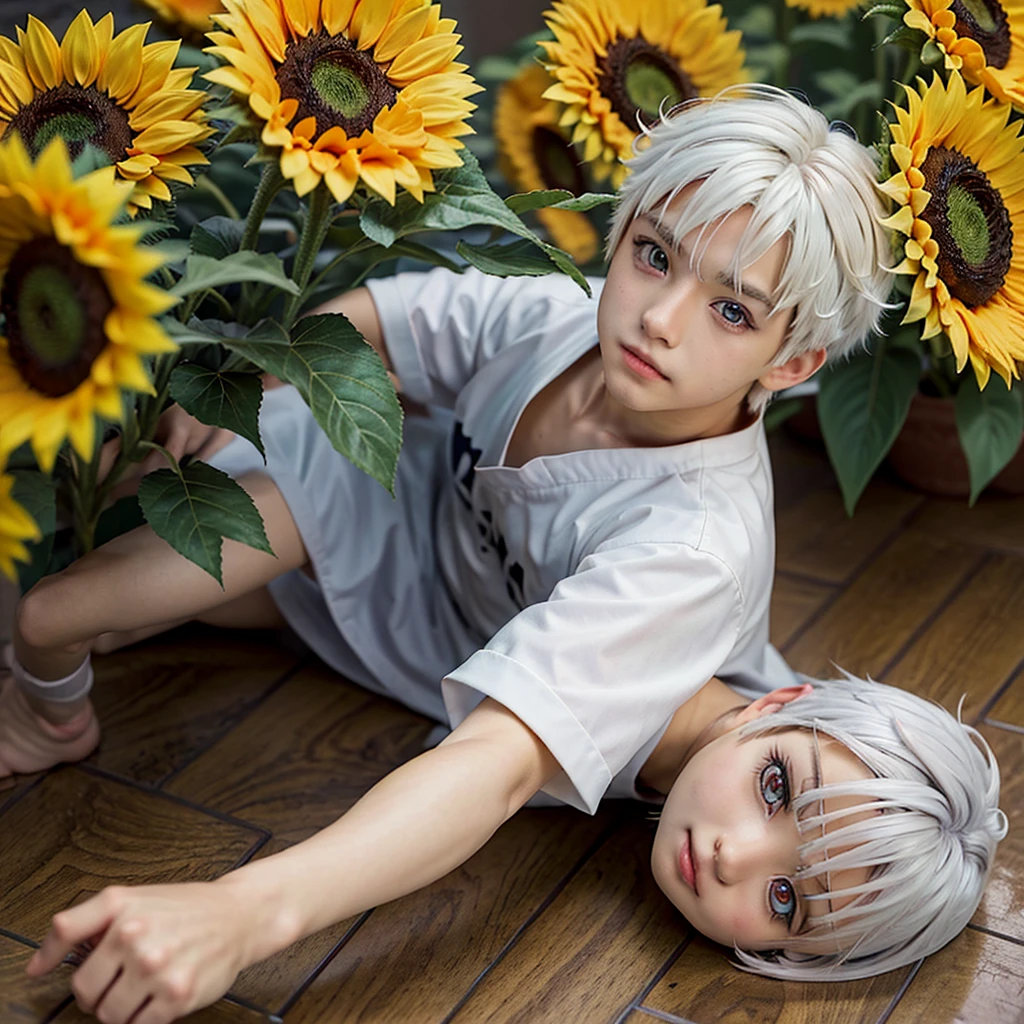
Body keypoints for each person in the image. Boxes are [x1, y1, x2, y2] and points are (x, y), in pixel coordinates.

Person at [3, 84, 993, 1022]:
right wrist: (236, 388)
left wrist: (239, 911)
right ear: (781, 707)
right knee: (70, 581)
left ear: (791, 361)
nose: (661, 319)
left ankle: (60, 704)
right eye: (654, 255)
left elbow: (495, 764)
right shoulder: (573, 325)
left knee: (68, 603)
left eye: (785, 898)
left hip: (400, 623)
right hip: (370, 495)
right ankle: (62, 689)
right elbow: (382, 321)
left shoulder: (691, 551)